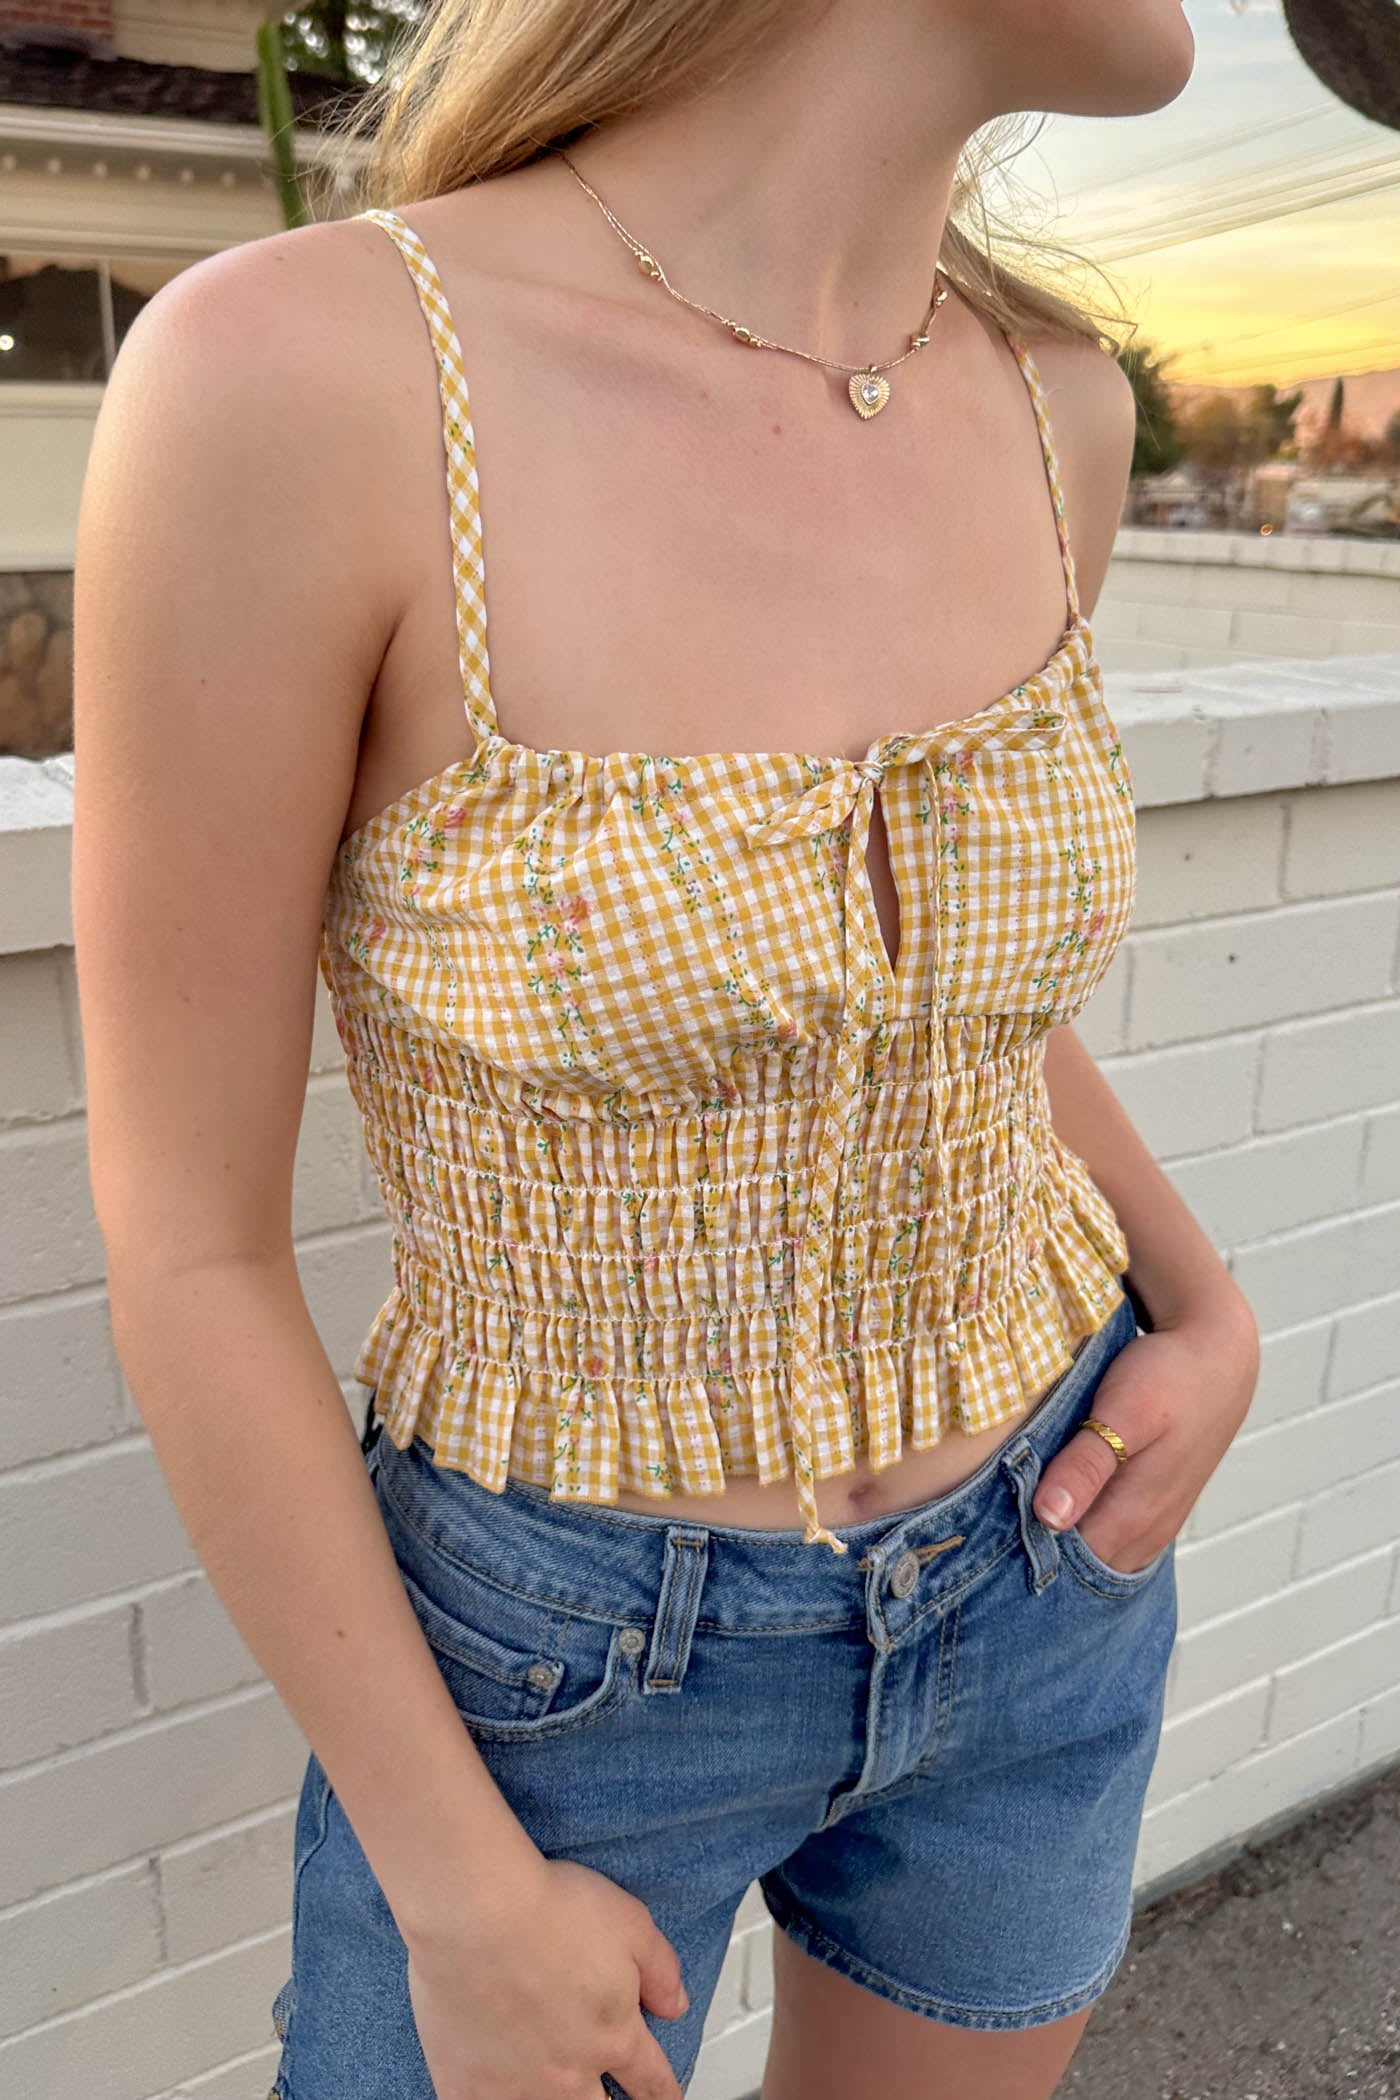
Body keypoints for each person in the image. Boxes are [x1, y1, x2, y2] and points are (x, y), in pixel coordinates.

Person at [72, 3, 1261, 2096]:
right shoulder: (308, 380)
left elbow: (940, 1004)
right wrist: (448, 1882)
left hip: (1048, 1566)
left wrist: (1206, 1308)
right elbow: (188, 1245)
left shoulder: (1053, 402)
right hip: (553, 1675)